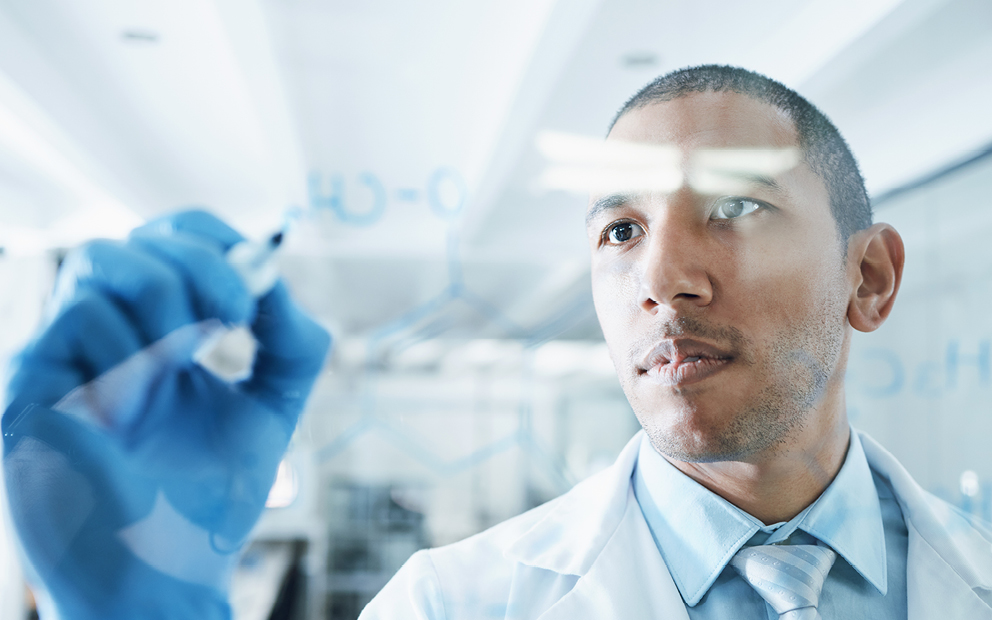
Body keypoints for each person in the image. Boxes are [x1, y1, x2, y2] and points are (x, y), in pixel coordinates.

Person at [357, 66, 992, 618]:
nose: (659, 281)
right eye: (621, 231)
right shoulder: (442, 604)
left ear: (868, 279)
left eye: (735, 208)